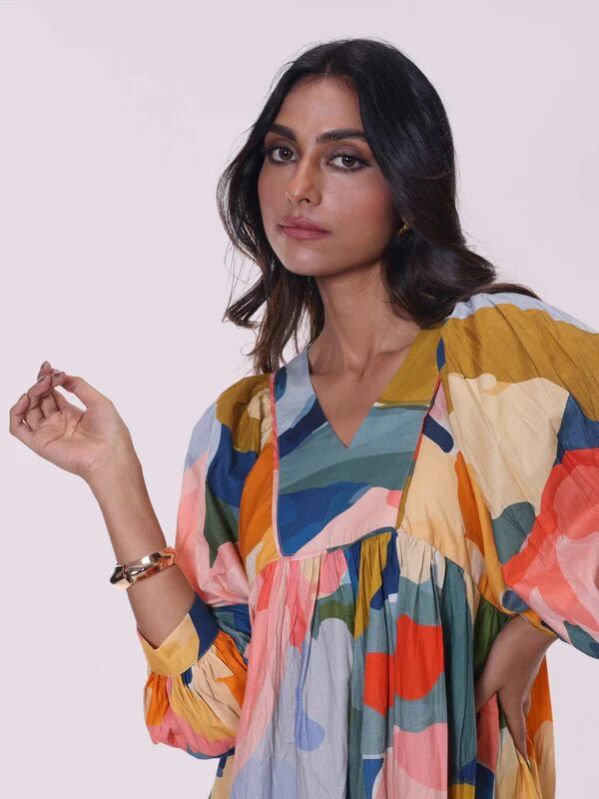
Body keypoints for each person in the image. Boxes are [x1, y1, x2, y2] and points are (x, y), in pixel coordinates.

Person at [9, 36, 599, 799]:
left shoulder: (499, 357)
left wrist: (532, 630)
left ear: (409, 182)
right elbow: (215, 712)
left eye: (344, 158)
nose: (300, 187)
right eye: (282, 153)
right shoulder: (241, 430)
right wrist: (111, 475)